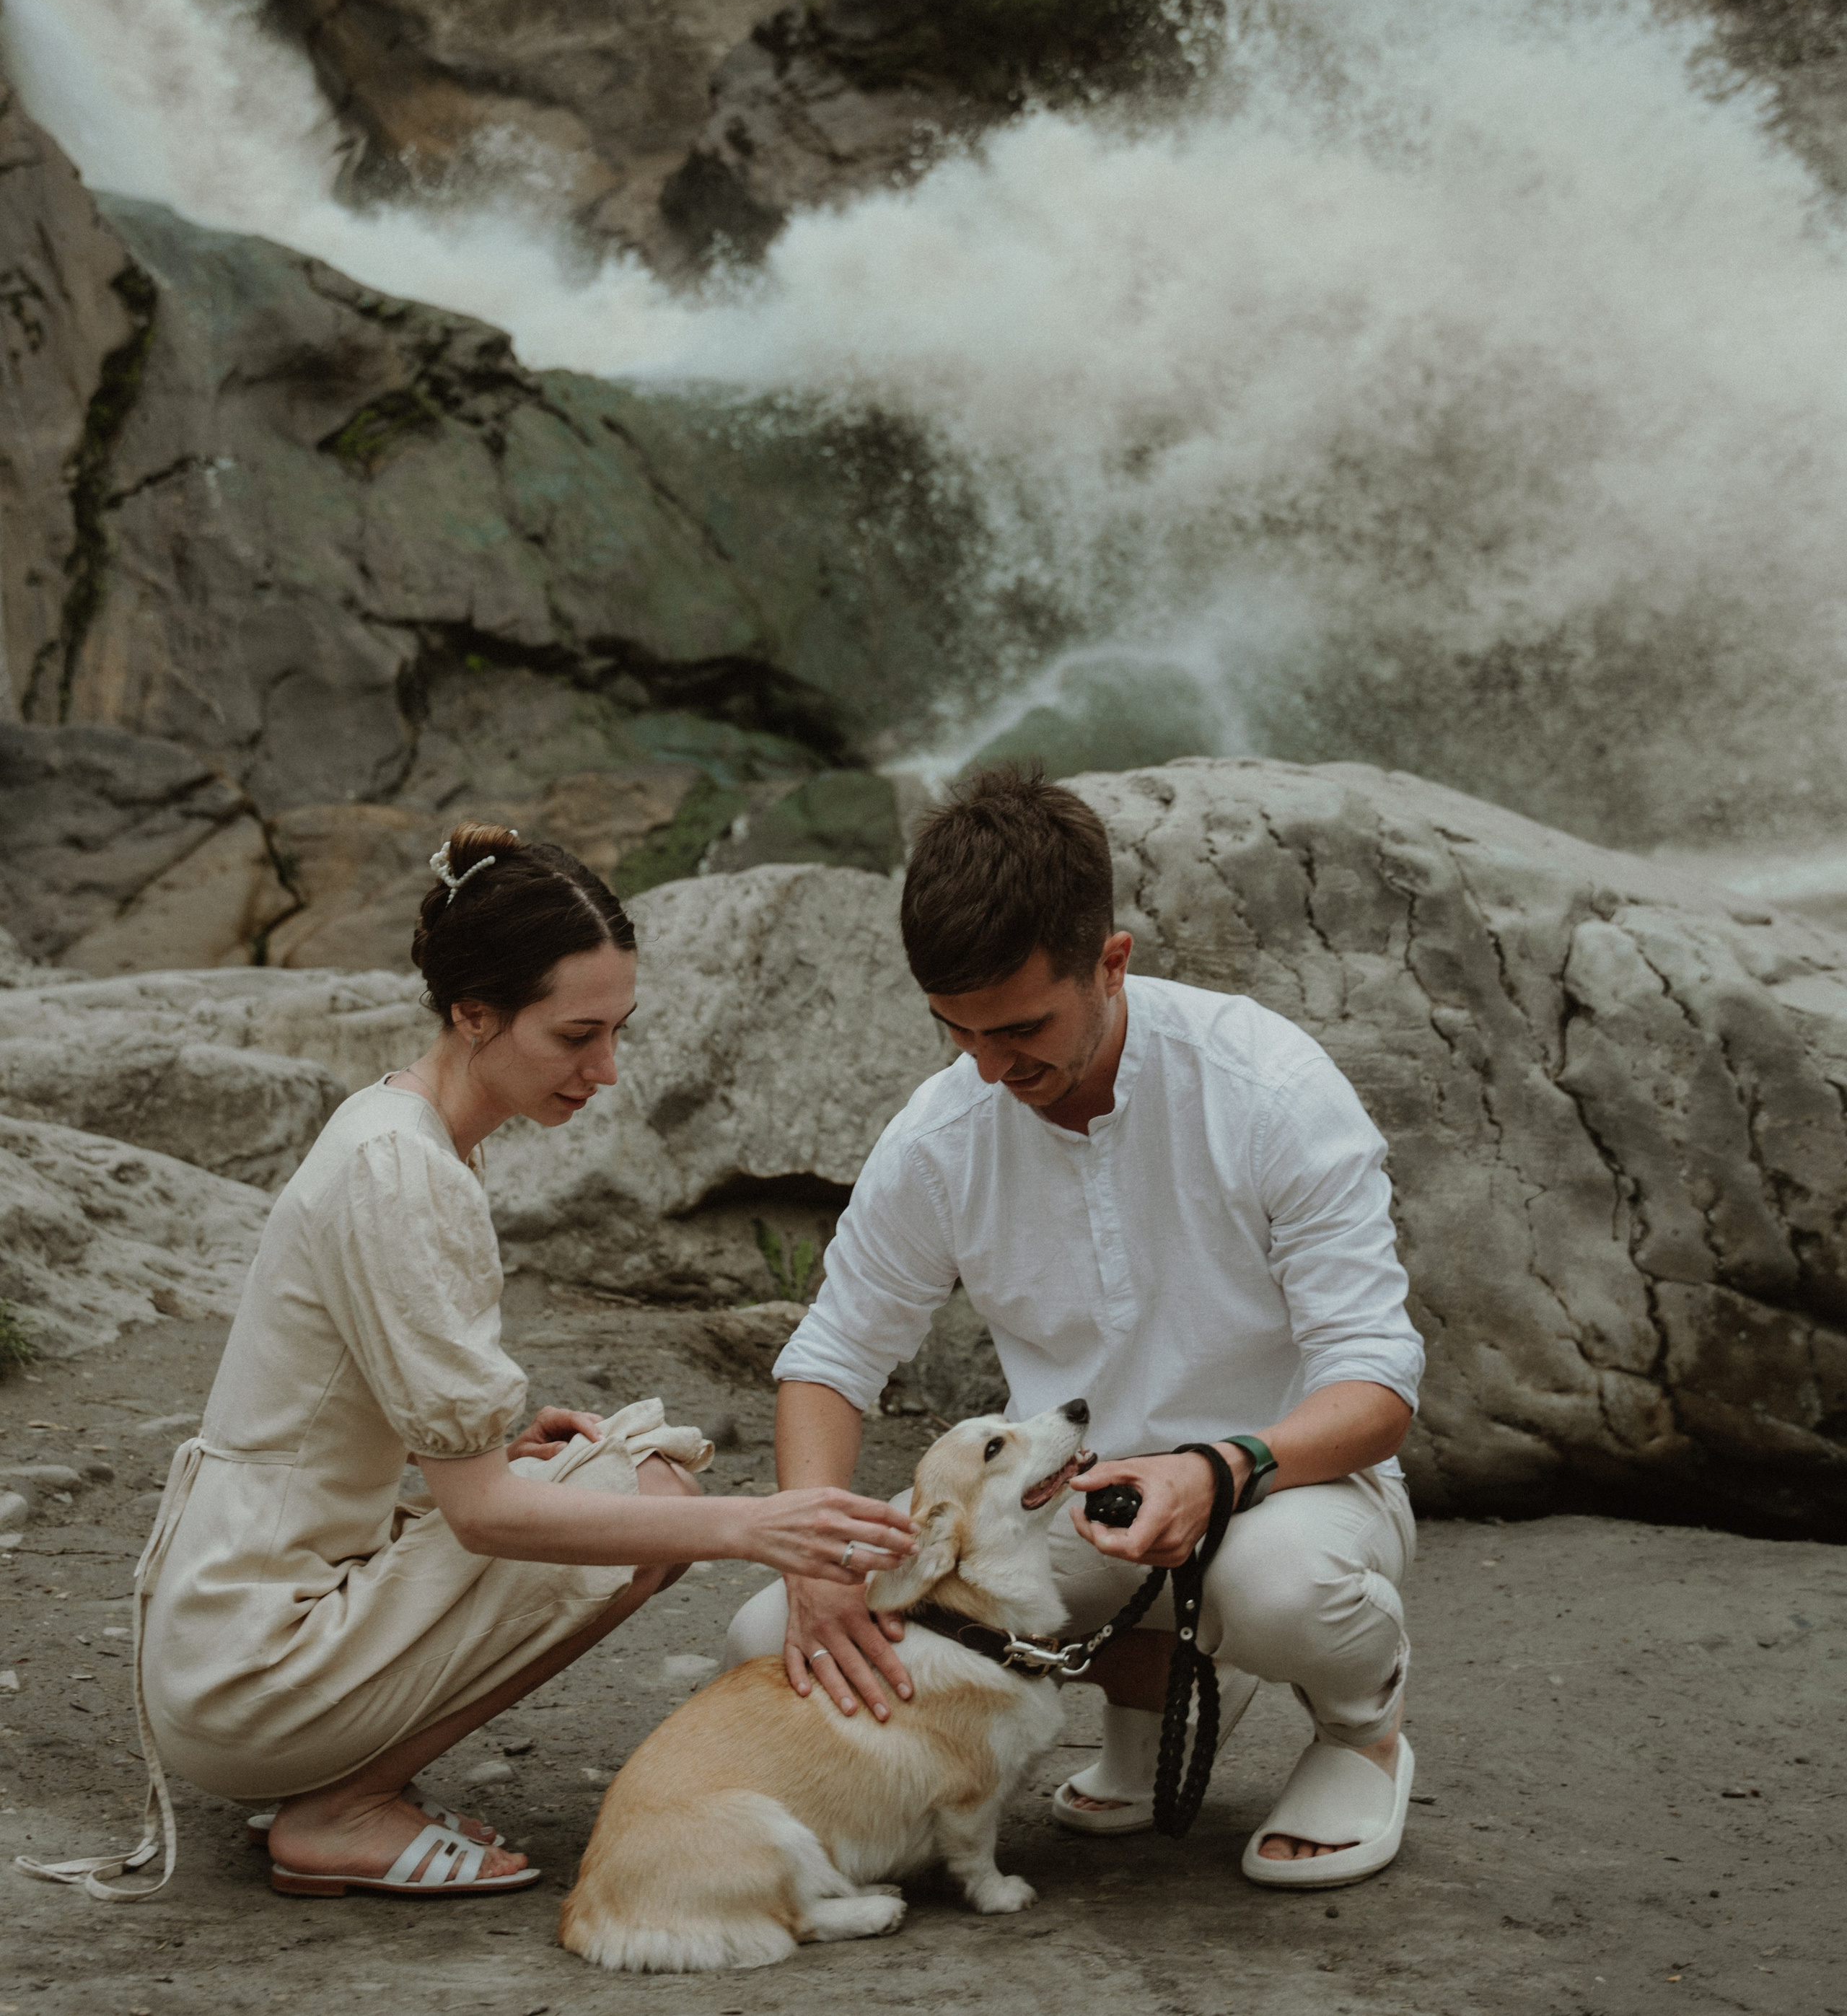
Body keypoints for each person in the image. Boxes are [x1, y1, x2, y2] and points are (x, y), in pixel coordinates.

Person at [24, 823, 912, 1906]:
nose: (606, 1069)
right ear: (473, 1013)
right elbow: (488, 1516)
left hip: (236, 1625)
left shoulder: (403, 1127)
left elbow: (338, 1397)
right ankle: (340, 1805)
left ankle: (340, 1782)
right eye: (576, 1034)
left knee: (613, 1480)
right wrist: (757, 1526)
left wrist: (482, 1435)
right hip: (250, 1665)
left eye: (618, 1030)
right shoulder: (402, 1170)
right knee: (656, 1488)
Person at [724, 767, 1424, 1888]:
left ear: (1113, 961)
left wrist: (1220, 1467)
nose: (993, 1069)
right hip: (1064, 1496)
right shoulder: (946, 1129)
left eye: (1022, 1028)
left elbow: (1379, 1386)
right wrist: (820, 1559)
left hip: (1284, 1486)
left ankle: (1361, 1734)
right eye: (957, 1030)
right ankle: (1155, 1702)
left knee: (1277, 1588)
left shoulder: (1268, 1084)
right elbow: (832, 1358)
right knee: (774, 1638)